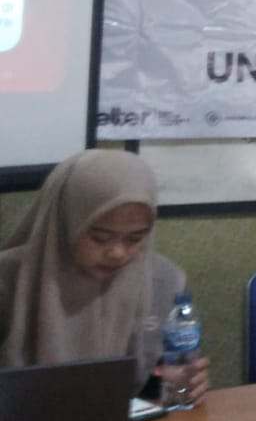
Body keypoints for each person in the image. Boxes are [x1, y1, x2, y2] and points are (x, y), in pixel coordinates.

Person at [0, 150, 208, 401]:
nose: (118, 253)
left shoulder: (163, 280)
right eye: (100, 237)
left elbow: (146, 382)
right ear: (65, 222)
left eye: (135, 238)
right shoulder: (10, 278)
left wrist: (175, 382)